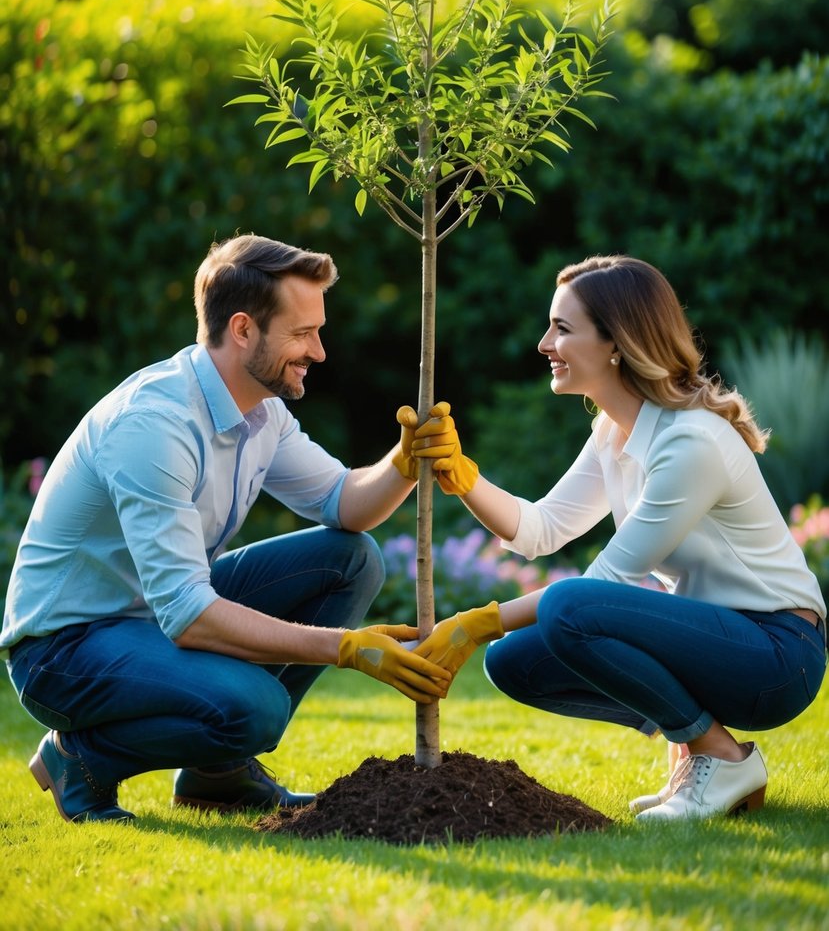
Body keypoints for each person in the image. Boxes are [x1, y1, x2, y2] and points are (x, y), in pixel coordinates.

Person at [1, 234, 452, 824]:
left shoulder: (261, 412)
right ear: (243, 330)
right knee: (255, 711)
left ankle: (220, 775)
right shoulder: (154, 424)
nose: (318, 351)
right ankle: (80, 760)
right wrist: (346, 648)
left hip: (151, 617)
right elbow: (188, 615)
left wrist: (405, 460)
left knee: (353, 558)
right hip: (65, 647)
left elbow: (345, 504)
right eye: (302, 332)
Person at [406, 255, 827, 822]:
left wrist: (472, 623)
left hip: (776, 654)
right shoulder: (613, 430)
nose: (543, 343)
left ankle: (718, 755)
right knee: (514, 661)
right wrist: (463, 476)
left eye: (562, 328)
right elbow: (541, 529)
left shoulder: (690, 441)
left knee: (566, 610)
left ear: (616, 343)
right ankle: (700, 746)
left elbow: (600, 588)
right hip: (712, 636)